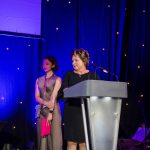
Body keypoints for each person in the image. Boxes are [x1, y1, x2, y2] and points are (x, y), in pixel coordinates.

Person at [62, 48, 99, 150]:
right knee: (71, 143)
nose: (73, 63)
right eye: (72, 60)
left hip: (86, 113)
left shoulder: (93, 75)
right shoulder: (68, 75)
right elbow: (65, 91)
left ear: (84, 60)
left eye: (76, 60)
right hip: (72, 112)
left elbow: (97, 93)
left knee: (84, 143)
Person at [35, 56, 62, 150]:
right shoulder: (39, 80)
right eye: (43, 64)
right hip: (42, 111)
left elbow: (53, 97)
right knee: (43, 138)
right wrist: (45, 103)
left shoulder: (57, 79)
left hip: (53, 112)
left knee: (55, 138)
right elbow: (37, 97)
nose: (44, 66)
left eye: (47, 64)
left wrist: (50, 113)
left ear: (53, 65)